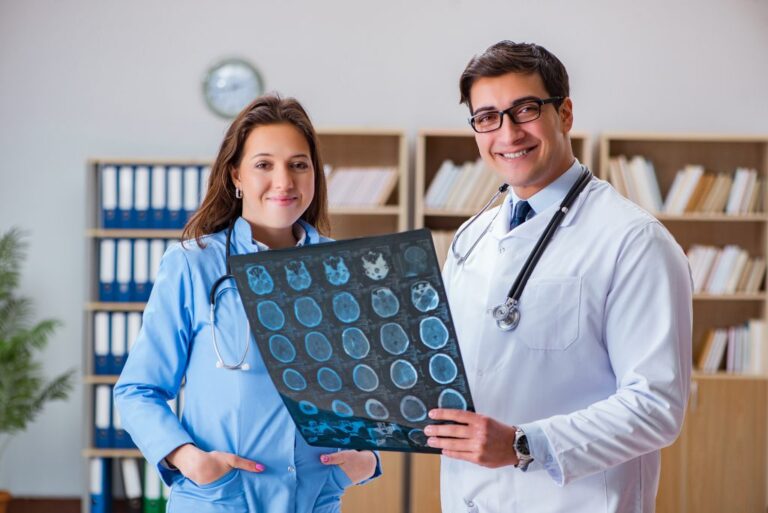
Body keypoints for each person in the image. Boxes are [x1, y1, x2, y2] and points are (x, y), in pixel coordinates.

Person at [424, 41, 692, 513]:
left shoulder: (633, 240)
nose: (507, 133)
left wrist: (525, 444)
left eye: (524, 110)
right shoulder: (470, 236)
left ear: (564, 113)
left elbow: (656, 407)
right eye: (486, 117)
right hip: (467, 496)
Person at [114, 94, 380, 513]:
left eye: (298, 164)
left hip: (316, 500)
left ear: (315, 174)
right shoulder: (193, 264)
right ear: (235, 174)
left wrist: (368, 457)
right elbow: (137, 390)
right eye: (264, 164)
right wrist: (190, 460)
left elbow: (369, 388)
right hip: (222, 498)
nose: (284, 180)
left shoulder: (344, 268)